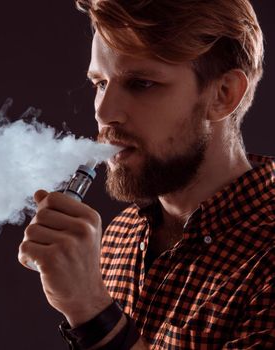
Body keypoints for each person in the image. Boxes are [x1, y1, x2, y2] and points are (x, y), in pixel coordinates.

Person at [18, 0, 274, 348]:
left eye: (141, 83)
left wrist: (92, 311)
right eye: (101, 84)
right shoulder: (120, 237)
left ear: (223, 94)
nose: (105, 114)